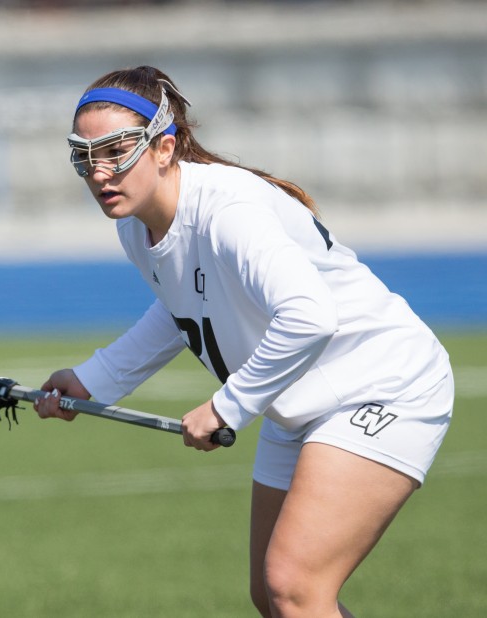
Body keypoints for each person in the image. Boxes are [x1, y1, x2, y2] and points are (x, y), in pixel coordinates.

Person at [33, 66, 453, 617]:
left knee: (295, 588)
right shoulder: (136, 224)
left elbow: (309, 316)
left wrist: (228, 407)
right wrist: (95, 380)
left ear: (164, 147)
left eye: (116, 151)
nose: (99, 172)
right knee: (275, 596)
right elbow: (182, 306)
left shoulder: (227, 210)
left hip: (382, 386)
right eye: (85, 156)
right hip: (297, 405)